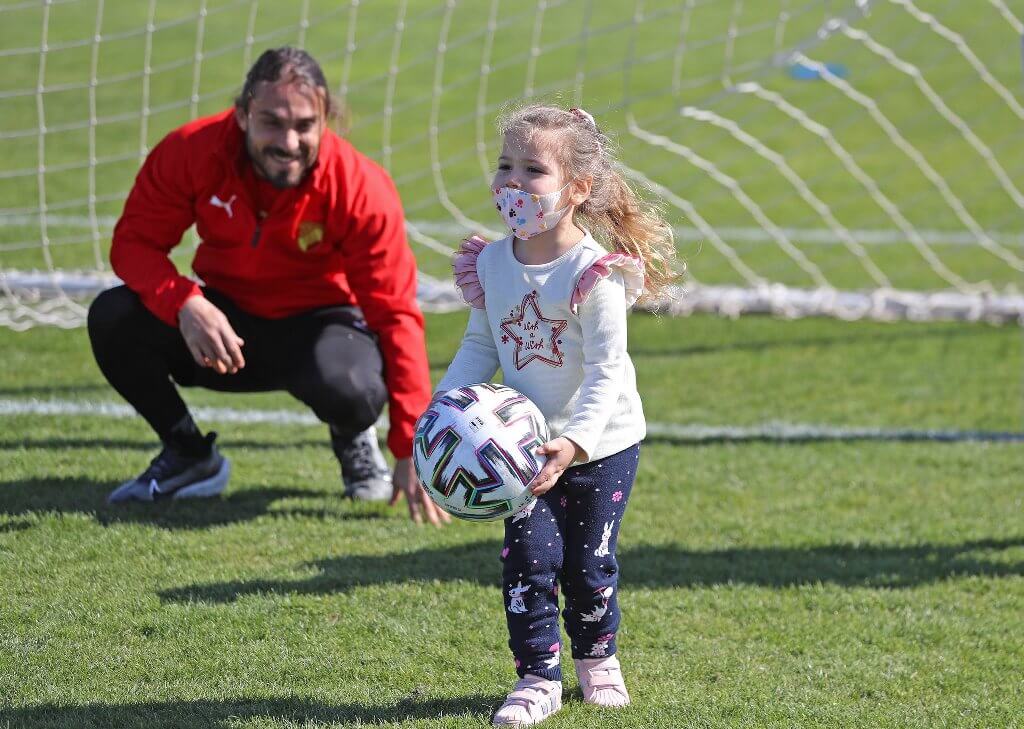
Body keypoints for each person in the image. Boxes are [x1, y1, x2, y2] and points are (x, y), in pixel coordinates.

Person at [87, 47, 449, 526]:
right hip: (224, 327)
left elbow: (395, 314)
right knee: (113, 318)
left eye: (305, 124)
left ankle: (352, 435)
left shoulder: (361, 187)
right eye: (272, 122)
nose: (290, 140)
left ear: (326, 121)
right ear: (242, 115)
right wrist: (184, 302)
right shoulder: (193, 150)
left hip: (320, 329)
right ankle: (189, 454)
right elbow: (133, 244)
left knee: (355, 390)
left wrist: (409, 444)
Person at [429, 104, 677, 725]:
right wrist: (441, 415)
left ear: (577, 191)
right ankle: (537, 677)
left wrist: (575, 444)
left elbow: (607, 372)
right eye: (505, 166)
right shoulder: (491, 263)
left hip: (603, 443)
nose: (513, 182)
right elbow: (480, 346)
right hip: (520, 450)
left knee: (587, 563)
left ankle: (598, 661)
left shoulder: (594, 274)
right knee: (529, 559)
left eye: (533, 169)